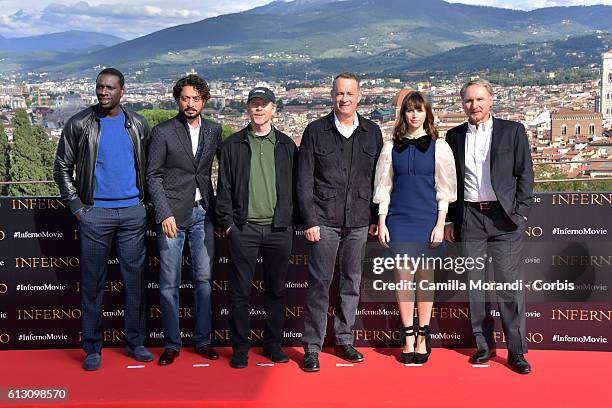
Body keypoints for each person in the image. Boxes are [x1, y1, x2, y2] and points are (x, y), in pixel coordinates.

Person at [53, 68, 152, 371]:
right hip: (95, 216)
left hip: (133, 214)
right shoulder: (79, 123)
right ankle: (92, 348)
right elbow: (61, 167)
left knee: (134, 283)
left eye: (110, 87)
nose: (103, 92)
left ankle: (135, 343)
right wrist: (78, 208)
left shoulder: (138, 124)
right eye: (99, 87)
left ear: (123, 90)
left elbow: (149, 168)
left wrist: (144, 205)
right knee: (93, 285)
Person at [444, 79, 534, 374]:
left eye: (480, 99)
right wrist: (450, 219)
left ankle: (517, 352)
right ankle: (483, 347)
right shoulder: (453, 136)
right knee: (476, 287)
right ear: (463, 104)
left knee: (509, 288)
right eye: (469, 101)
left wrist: (519, 215)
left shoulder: (512, 131)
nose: (475, 106)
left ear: (491, 100)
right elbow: (451, 183)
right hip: (470, 218)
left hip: (504, 219)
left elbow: (525, 175)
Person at [297, 72, 383, 372]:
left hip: (359, 221)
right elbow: (303, 180)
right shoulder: (315, 131)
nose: (344, 99)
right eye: (339, 93)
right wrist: (309, 220)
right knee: (320, 284)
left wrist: (374, 217)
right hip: (323, 221)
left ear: (359, 96)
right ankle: (312, 347)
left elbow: (378, 180)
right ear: (331, 95)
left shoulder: (372, 132)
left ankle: (344, 340)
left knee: (351, 283)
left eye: (350, 94)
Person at [216, 87, 297, 368]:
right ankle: (240, 348)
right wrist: (228, 225)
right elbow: (223, 188)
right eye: (254, 105)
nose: (259, 109)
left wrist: (289, 222)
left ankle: (272, 345)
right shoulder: (232, 145)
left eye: (264, 105)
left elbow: (296, 189)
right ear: (248, 109)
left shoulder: (287, 146)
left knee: (276, 291)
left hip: (279, 229)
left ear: (274, 108)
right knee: (240, 293)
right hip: (243, 229)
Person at [374, 91, 456, 364]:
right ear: (403, 114)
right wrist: (383, 221)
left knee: (425, 279)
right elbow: (384, 188)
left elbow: (445, 190)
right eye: (409, 110)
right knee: (403, 278)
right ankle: (407, 333)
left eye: (419, 110)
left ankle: (423, 334)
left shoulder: (440, 146)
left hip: (427, 219)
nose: (413, 115)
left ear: (426, 114)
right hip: (398, 219)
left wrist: (440, 224)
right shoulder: (390, 148)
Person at [146, 74, 221, 365]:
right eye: (186, 98)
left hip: (204, 214)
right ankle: (172, 344)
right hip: (172, 217)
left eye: (196, 98)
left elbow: (227, 165)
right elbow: (152, 176)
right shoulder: (163, 131)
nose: (190, 104)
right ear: (178, 99)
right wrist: (164, 212)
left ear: (204, 101)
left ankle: (203, 341)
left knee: (203, 280)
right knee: (168, 283)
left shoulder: (214, 130)